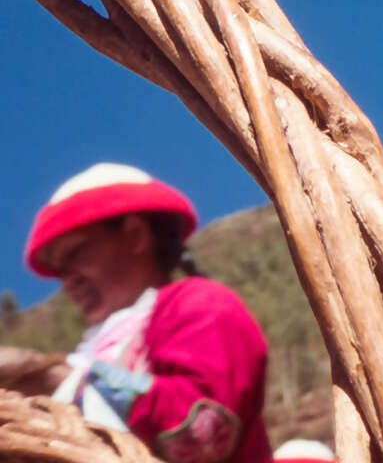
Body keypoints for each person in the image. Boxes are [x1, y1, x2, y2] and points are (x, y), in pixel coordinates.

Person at [0, 165, 268, 463]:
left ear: (135, 236)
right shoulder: (100, 345)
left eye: (75, 254)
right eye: (60, 270)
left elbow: (201, 435)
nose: (68, 282)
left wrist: (51, 377)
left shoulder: (202, 305)